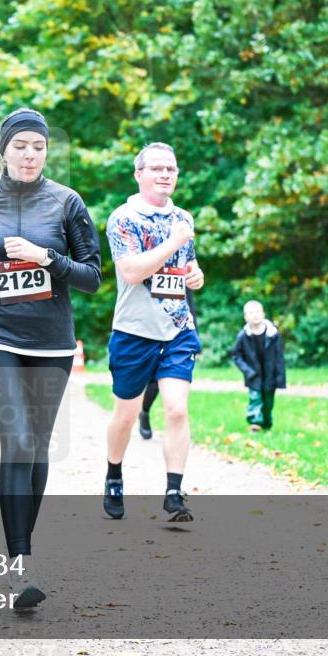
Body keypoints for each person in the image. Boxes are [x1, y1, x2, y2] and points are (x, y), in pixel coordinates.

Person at [0, 108, 101, 608]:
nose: (30, 154)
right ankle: (19, 568)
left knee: (38, 447)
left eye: (39, 146)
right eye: (21, 145)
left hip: (52, 337)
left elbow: (92, 276)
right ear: (4, 149)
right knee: (19, 439)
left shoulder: (67, 202)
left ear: (46, 151)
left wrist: (45, 257)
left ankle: (21, 557)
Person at [103, 141, 205, 523]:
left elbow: (189, 267)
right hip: (133, 331)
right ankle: (114, 474)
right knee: (126, 416)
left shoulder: (184, 217)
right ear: (139, 174)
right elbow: (131, 271)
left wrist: (195, 275)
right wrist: (173, 242)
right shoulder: (123, 218)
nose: (166, 174)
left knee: (177, 410)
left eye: (172, 169)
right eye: (158, 168)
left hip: (178, 327)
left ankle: (174, 494)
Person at [137, 289, 198, 439]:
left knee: (162, 379)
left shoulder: (181, 267)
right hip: (146, 331)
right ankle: (144, 411)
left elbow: (189, 304)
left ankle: (172, 426)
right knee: (149, 379)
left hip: (176, 336)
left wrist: (196, 336)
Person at [231, 300, 286, 432]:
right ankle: (255, 423)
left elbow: (279, 357)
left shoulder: (273, 334)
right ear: (245, 317)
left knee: (268, 402)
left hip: (270, 374)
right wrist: (247, 371)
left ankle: (267, 423)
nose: (255, 315)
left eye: (258, 312)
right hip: (253, 375)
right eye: (251, 313)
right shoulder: (243, 336)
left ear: (263, 314)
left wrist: (280, 377)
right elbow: (236, 356)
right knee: (255, 398)